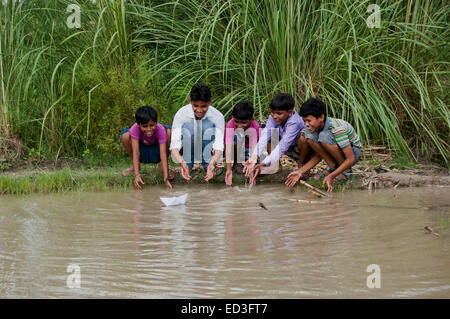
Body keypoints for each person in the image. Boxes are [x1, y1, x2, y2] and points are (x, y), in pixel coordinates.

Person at [285, 98, 362, 192]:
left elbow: (350, 159)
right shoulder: (315, 129)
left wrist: (331, 176)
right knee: (307, 135)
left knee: (324, 136)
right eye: (304, 121)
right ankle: (332, 167)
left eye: (309, 120)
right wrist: (300, 172)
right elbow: (319, 156)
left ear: (321, 117)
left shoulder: (336, 128)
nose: (306, 124)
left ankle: (345, 172)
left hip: (353, 152)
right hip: (336, 154)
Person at [243, 93, 307, 184]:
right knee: (265, 127)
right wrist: (254, 157)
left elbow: (283, 146)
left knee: (303, 137)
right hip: (288, 146)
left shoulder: (294, 122)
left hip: (301, 149)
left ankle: (302, 164)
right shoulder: (272, 118)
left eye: (279, 113)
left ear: (289, 112)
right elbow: (265, 136)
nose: (274, 116)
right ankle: (275, 166)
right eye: (272, 112)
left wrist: (263, 163)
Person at [170, 83, 225, 182]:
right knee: (188, 127)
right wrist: (182, 162)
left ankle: (208, 165)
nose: (199, 110)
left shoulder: (218, 116)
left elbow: (219, 145)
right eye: (196, 106)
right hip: (186, 150)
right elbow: (174, 145)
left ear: (209, 102)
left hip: (208, 151)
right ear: (190, 101)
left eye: (203, 106)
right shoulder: (181, 114)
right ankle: (188, 166)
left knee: (207, 126)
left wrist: (212, 163)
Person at [120, 106, 173, 190]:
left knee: (169, 131)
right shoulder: (135, 128)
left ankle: (163, 166)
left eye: (152, 125)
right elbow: (136, 152)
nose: (149, 129)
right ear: (138, 124)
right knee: (125, 135)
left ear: (157, 122)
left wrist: (166, 178)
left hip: (157, 151)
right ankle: (135, 166)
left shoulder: (160, 129)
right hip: (143, 151)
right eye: (144, 126)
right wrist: (137, 176)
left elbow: (163, 154)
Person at [224, 101, 260, 186]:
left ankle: (247, 166)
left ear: (251, 119)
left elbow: (254, 148)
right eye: (236, 121)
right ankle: (237, 163)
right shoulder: (230, 124)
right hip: (236, 149)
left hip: (250, 149)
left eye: (243, 122)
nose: (239, 125)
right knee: (237, 135)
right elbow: (228, 147)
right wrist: (228, 169)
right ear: (233, 118)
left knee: (257, 169)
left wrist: (251, 168)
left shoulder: (255, 127)